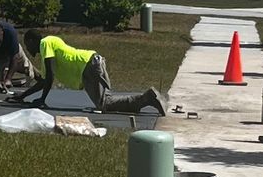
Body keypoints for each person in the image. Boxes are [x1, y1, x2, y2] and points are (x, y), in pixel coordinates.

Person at [33, 31, 167, 120]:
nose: (28, 49)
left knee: (104, 104)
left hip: (87, 68)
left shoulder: (45, 43)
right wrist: (23, 96)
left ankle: (147, 98)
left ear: (31, 40)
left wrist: (42, 100)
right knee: (107, 101)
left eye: (27, 45)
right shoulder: (49, 45)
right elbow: (44, 80)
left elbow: (49, 76)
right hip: (93, 62)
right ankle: (143, 101)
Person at [0, 14, 33, 96]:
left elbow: (15, 57)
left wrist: (8, 79)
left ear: (2, 32)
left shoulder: (10, 32)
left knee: (29, 72)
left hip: (13, 51)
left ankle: (39, 78)